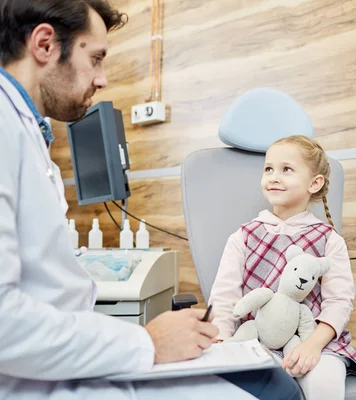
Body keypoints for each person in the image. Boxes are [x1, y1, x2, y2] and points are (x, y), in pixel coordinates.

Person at [0, 1, 301, 399]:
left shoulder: (26, 131)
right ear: (44, 44)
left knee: (269, 380)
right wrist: (147, 343)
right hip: (36, 380)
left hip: (64, 362)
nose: (103, 79)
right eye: (96, 59)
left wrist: (150, 339)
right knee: (270, 390)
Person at [209, 135, 356, 400]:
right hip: (256, 340)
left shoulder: (329, 240)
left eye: (286, 169)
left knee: (325, 382)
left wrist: (312, 345)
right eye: (268, 169)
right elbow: (224, 298)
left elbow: (339, 301)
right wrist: (219, 344)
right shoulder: (243, 237)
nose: (274, 176)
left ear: (314, 183)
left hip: (315, 340)